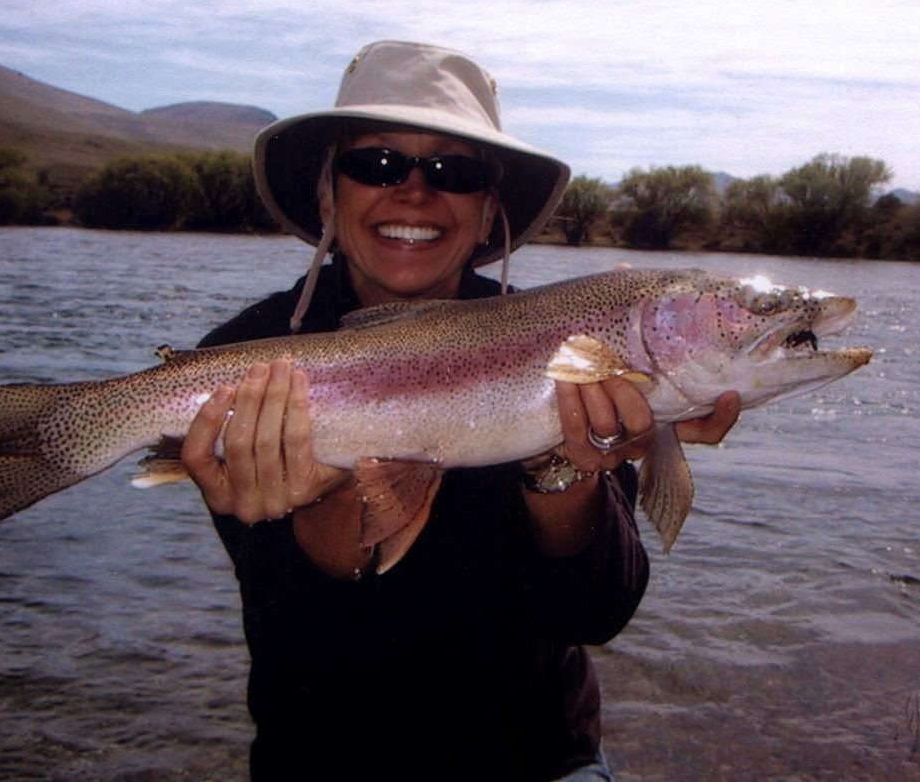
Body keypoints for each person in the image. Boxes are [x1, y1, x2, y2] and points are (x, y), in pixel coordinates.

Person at [180, 41, 740, 781]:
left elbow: (594, 614)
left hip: (538, 761)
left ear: (487, 215)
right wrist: (326, 500)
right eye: (376, 163)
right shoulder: (245, 360)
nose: (414, 192)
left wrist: (562, 466)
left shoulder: (572, 341)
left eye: (455, 173)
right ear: (327, 197)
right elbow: (301, 626)